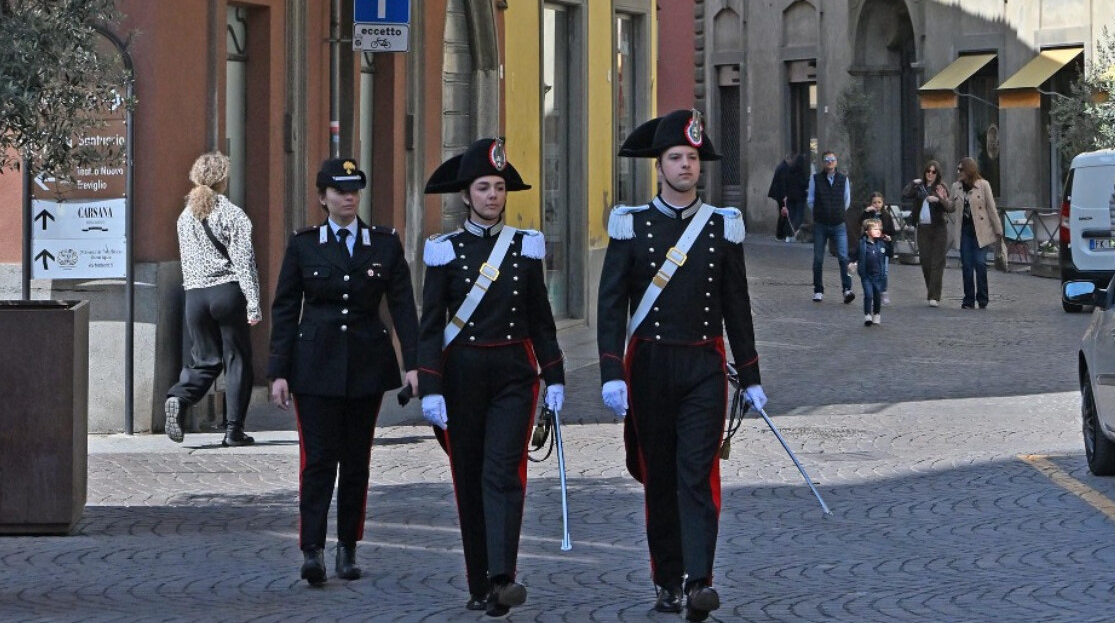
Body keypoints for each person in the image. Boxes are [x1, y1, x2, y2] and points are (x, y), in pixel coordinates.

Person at [597, 109, 767, 623]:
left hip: (703, 366)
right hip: (649, 364)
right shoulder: (631, 225)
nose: (685, 165)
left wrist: (752, 374)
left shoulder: (721, 227)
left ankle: (700, 582)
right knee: (662, 476)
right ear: (659, 166)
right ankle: (667, 579)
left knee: (697, 473)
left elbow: (737, 305)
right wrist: (611, 373)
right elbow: (610, 305)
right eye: (676, 157)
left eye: (692, 157)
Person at [416, 138, 565, 617]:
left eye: (499, 187)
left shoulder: (525, 248)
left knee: (502, 473)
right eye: (483, 187)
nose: (492, 196)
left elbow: (541, 320)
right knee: (468, 477)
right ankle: (478, 580)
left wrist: (555, 375)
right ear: (466, 195)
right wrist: (431, 386)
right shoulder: (444, 251)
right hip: (461, 378)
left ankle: (503, 576)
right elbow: (430, 325)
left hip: (513, 378)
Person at [266, 157, 418, 587]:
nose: (348, 198)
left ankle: (347, 546)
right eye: (339, 191)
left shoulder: (383, 243)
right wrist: (278, 372)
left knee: (356, 462)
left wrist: (415, 365)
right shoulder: (303, 245)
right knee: (318, 461)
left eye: (353, 191)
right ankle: (311, 548)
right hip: (313, 367)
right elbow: (284, 308)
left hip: (367, 367)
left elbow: (404, 307)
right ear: (322, 198)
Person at [165, 151, 261, 447]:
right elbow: (244, 261)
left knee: (205, 359)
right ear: (223, 180)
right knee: (237, 359)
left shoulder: (184, 218)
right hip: (227, 293)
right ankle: (233, 431)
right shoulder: (233, 214)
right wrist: (253, 302)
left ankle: (180, 398)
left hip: (195, 297)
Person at [948, 156, 1002, 309]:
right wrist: (942, 199)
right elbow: (951, 207)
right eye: (958, 169)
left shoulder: (983, 185)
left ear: (969, 170)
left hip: (981, 230)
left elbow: (991, 208)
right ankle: (968, 299)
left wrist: (998, 230)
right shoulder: (956, 187)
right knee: (966, 265)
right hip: (964, 230)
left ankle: (983, 298)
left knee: (980, 263)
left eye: (961, 169)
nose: (958, 172)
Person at [902, 160, 955, 307]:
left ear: (937, 174)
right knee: (925, 261)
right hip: (923, 228)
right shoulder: (920, 187)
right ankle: (931, 290)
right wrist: (914, 182)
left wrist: (938, 199)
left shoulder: (940, 187)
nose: (930, 174)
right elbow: (906, 193)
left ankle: (934, 296)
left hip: (938, 228)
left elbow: (950, 207)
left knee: (937, 263)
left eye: (933, 172)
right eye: (928, 171)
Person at [807, 150, 854, 303]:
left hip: (838, 224)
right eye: (827, 159)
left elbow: (846, 200)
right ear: (823, 162)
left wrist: (838, 211)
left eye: (832, 159)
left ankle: (847, 289)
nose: (830, 162)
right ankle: (818, 289)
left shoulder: (843, 179)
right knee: (818, 258)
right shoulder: (815, 179)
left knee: (843, 256)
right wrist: (820, 211)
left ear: (836, 162)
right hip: (821, 224)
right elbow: (811, 199)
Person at [856, 192, 896, 304]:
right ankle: (873, 292)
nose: (877, 205)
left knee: (884, 270)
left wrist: (884, 234)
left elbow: (892, 230)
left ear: (883, 203)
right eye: (874, 202)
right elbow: (860, 223)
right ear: (870, 203)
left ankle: (883, 291)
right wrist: (865, 212)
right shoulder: (868, 214)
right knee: (871, 268)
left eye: (879, 202)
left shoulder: (886, 215)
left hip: (882, 245)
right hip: (870, 245)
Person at [852, 218, 888, 326]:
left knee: (877, 296)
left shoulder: (881, 244)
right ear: (867, 232)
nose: (878, 230)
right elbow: (854, 255)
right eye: (875, 229)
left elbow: (890, 253)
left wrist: (889, 242)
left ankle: (877, 314)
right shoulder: (862, 244)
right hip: (866, 275)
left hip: (878, 276)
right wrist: (851, 263)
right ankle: (867, 315)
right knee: (868, 295)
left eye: (879, 229)